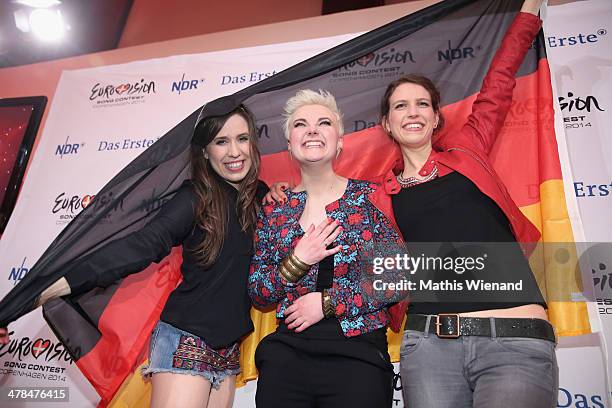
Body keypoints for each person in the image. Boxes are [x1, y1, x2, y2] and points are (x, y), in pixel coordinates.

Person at [0, 105, 267, 408]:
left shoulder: (259, 196)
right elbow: (142, 245)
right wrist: (39, 293)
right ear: (205, 151)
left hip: (228, 350)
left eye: (242, 139)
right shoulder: (194, 199)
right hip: (187, 343)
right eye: (221, 141)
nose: (235, 151)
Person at [377, 0, 557, 407]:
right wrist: (276, 192)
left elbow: (499, 80)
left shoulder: (469, 150)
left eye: (423, 103)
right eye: (400, 105)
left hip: (515, 341)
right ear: (387, 123)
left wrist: (528, 11)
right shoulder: (378, 195)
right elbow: (326, 194)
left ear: (436, 117)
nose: (413, 112)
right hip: (430, 348)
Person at [248, 89, 406, 408]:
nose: (312, 129)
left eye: (323, 122)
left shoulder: (371, 198)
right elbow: (259, 294)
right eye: (300, 124)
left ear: (340, 140)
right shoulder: (274, 210)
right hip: (286, 358)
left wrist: (328, 303)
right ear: (290, 144)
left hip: (358, 354)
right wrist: (297, 261)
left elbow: (396, 279)